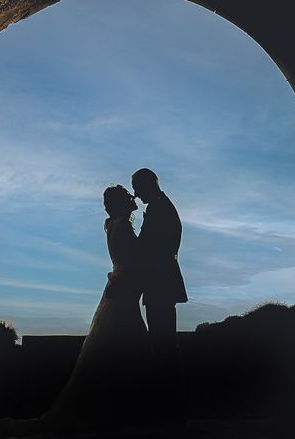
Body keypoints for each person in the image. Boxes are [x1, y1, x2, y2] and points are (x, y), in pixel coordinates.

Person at [0, 185, 151, 438]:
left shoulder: (112, 224)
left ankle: (117, 411)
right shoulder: (121, 226)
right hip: (123, 288)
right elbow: (134, 261)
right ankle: (123, 411)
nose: (132, 198)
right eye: (127, 197)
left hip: (119, 285)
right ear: (121, 202)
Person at [131, 168, 188, 427]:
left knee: (163, 343)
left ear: (149, 184)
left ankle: (171, 408)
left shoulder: (160, 209)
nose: (135, 193)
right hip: (160, 283)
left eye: (138, 187)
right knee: (163, 342)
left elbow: (150, 248)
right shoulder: (160, 207)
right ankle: (171, 406)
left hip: (160, 283)